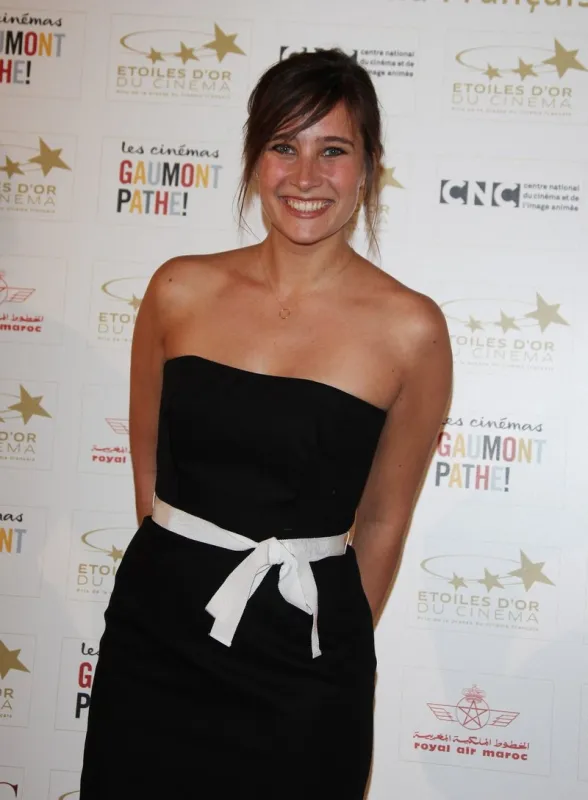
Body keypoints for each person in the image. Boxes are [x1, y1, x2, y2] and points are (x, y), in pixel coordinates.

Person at [80, 49, 452, 799]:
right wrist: (176, 578)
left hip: (305, 662)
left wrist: (330, 646)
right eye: (284, 146)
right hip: (157, 640)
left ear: (368, 167)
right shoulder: (180, 289)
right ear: (254, 160)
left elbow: (383, 522)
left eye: (333, 150)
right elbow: (149, 470)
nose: (306, 176)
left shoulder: (411, 330)